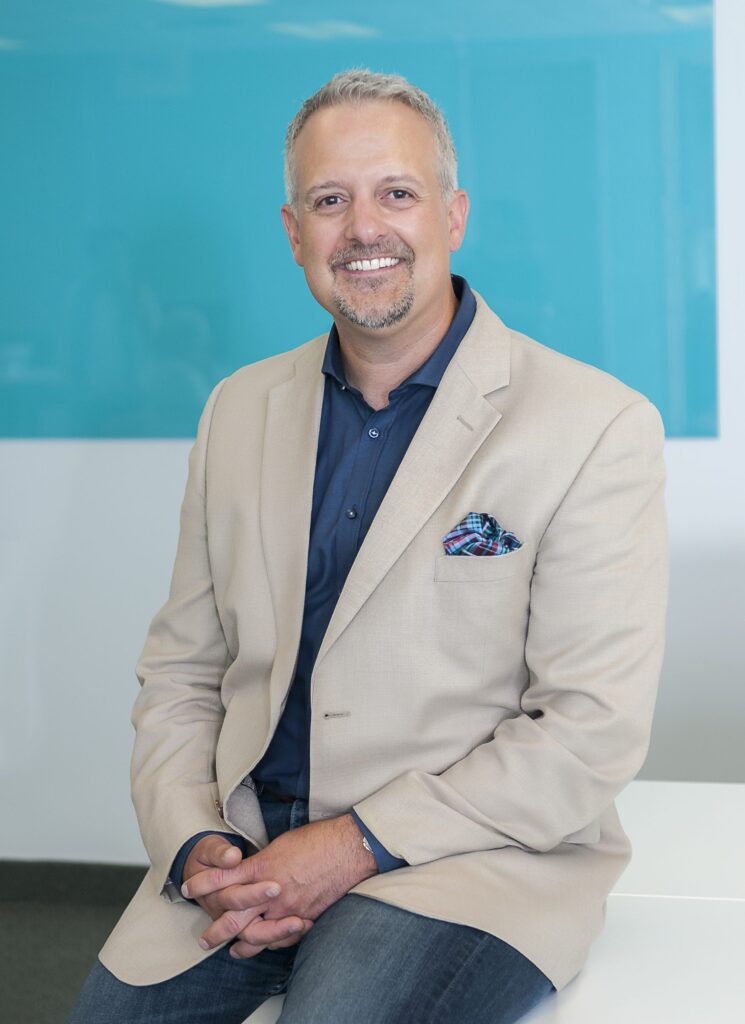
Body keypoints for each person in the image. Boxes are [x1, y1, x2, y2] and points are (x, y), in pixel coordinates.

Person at [69, 69, 668, 1024]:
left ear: (453, 214)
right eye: (329, 201)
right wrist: (193, 844)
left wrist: (352, 845)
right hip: (248, 853)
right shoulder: (238, 410)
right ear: (293, 231)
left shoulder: (594, 425)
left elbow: (586, 733)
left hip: (464, 865)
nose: (363, 229)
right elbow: (182, 673)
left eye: (396, 192)